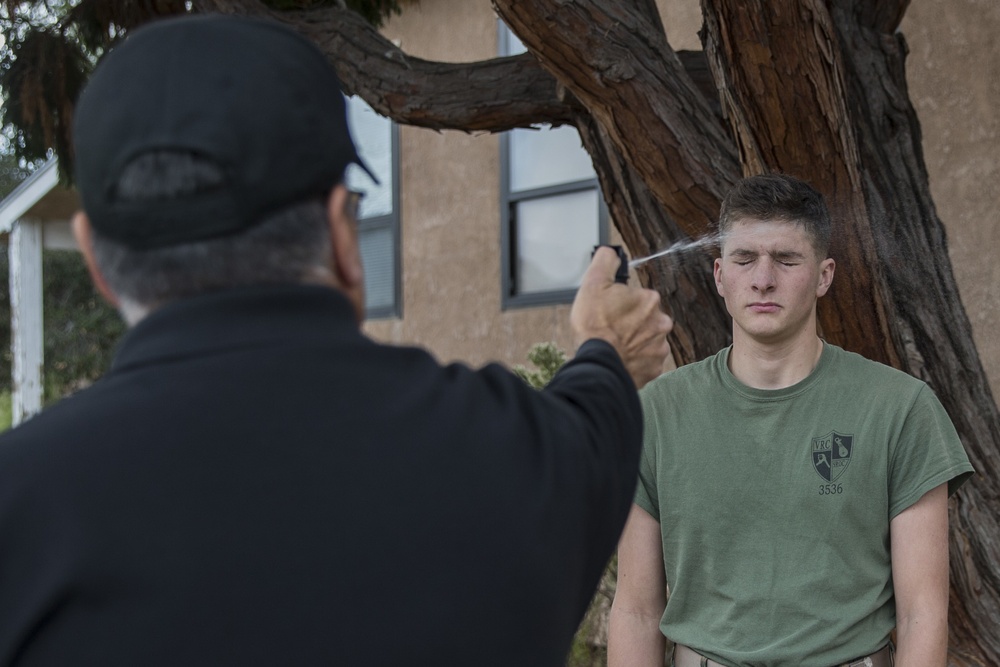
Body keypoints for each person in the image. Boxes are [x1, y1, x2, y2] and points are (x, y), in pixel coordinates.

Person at [0, 14, 674, 666]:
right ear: (344, 236)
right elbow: (594, 410)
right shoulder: (513, 455)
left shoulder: (20, 505)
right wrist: (605, 344)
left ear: (94, 258)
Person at [608, 174, 974, 667]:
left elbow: (923, 615)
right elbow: (635, 611)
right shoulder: (655, 414)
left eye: (786, 259)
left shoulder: (900, 409)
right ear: (720, 275)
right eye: (744, 259)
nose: (763, 278)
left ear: (824, 276)